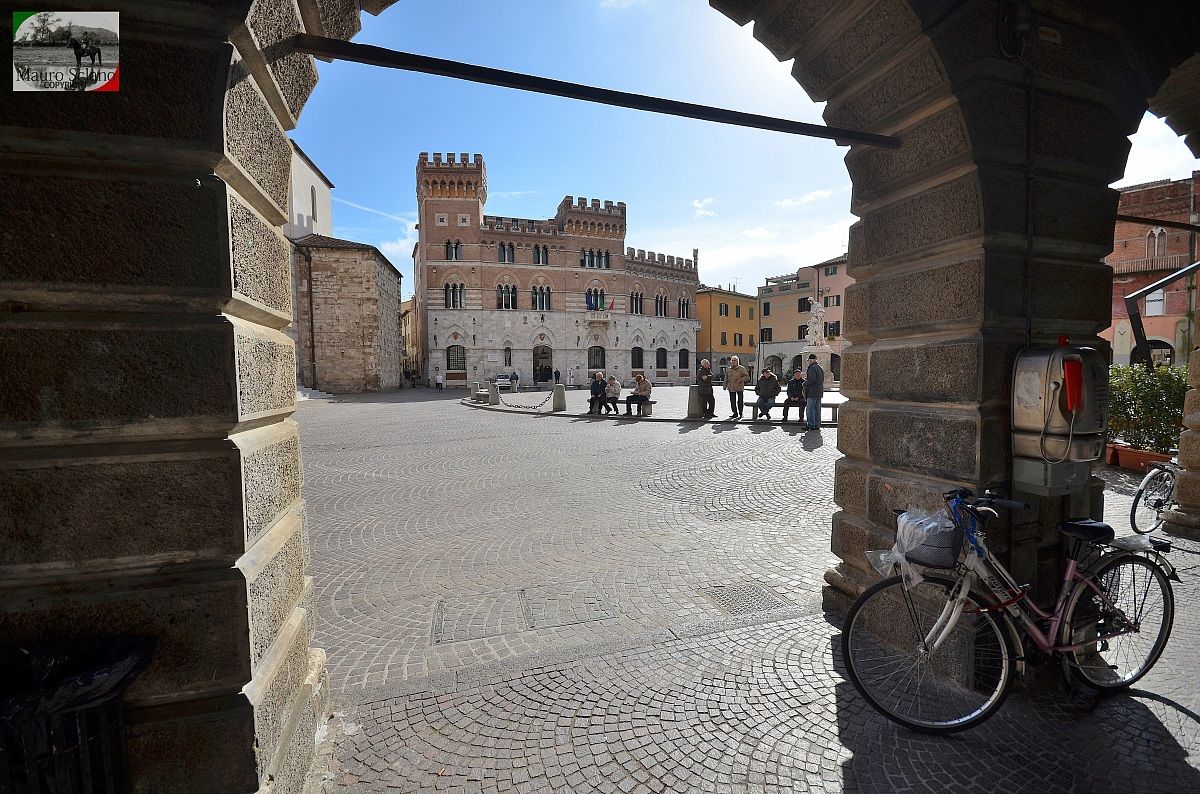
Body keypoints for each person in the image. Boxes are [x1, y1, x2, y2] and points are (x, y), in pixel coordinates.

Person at [723, 355, 750, 419]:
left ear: (737, 361)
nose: (733, 362)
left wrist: (741, 379)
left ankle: (741, 413)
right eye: (732, 360)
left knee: (740, 401)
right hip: (731, 387)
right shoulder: (728, 369)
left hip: (739, 387)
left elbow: (746, 376)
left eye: (734, 360)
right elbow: (726, 378)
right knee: (732, 401)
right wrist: (725, 385)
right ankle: (735, 413)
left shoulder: (741, 368)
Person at [804, 354, 825, 430]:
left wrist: (804, 384)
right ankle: (817, 424)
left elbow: (812, 379)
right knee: (817, 409)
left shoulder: (812, 368)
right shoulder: (820, 368)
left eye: (809, 361)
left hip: (812, 391)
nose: (808, 362)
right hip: (819, 391)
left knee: (810, 409)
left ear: (811, 360)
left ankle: (811, 425)